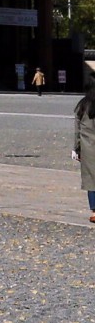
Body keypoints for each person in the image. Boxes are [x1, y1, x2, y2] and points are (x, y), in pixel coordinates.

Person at [75, 74, 95, 223]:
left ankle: (94, 211)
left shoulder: (82, 105)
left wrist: (76, 148)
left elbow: (78, 130)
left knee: (91, 180)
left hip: (88, 148)